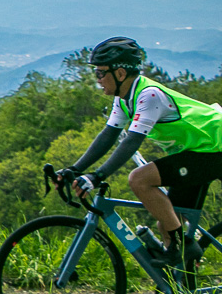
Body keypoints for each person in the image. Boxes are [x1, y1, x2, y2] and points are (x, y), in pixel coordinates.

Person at [58, 37, 222, 267]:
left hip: (215, 148)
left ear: (121, 73)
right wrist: (74, 169)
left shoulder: (149, 96)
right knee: (167, 222)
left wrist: (97, 176)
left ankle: (185, 248)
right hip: (199, 150)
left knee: (139, 179)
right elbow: (108, 136)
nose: (97, 80)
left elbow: (131, 142)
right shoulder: (124, 98)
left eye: (100, 73)